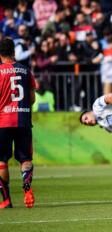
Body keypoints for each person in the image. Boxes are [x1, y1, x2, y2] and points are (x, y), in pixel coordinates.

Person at [0, 38, 36, 209]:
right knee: (25, 159)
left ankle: (6, 200)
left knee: (1, 161)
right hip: (23, 120)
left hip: (3, 122)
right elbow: (33, 98)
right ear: (14, 52)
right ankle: (27, 188)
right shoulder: (26, 70)